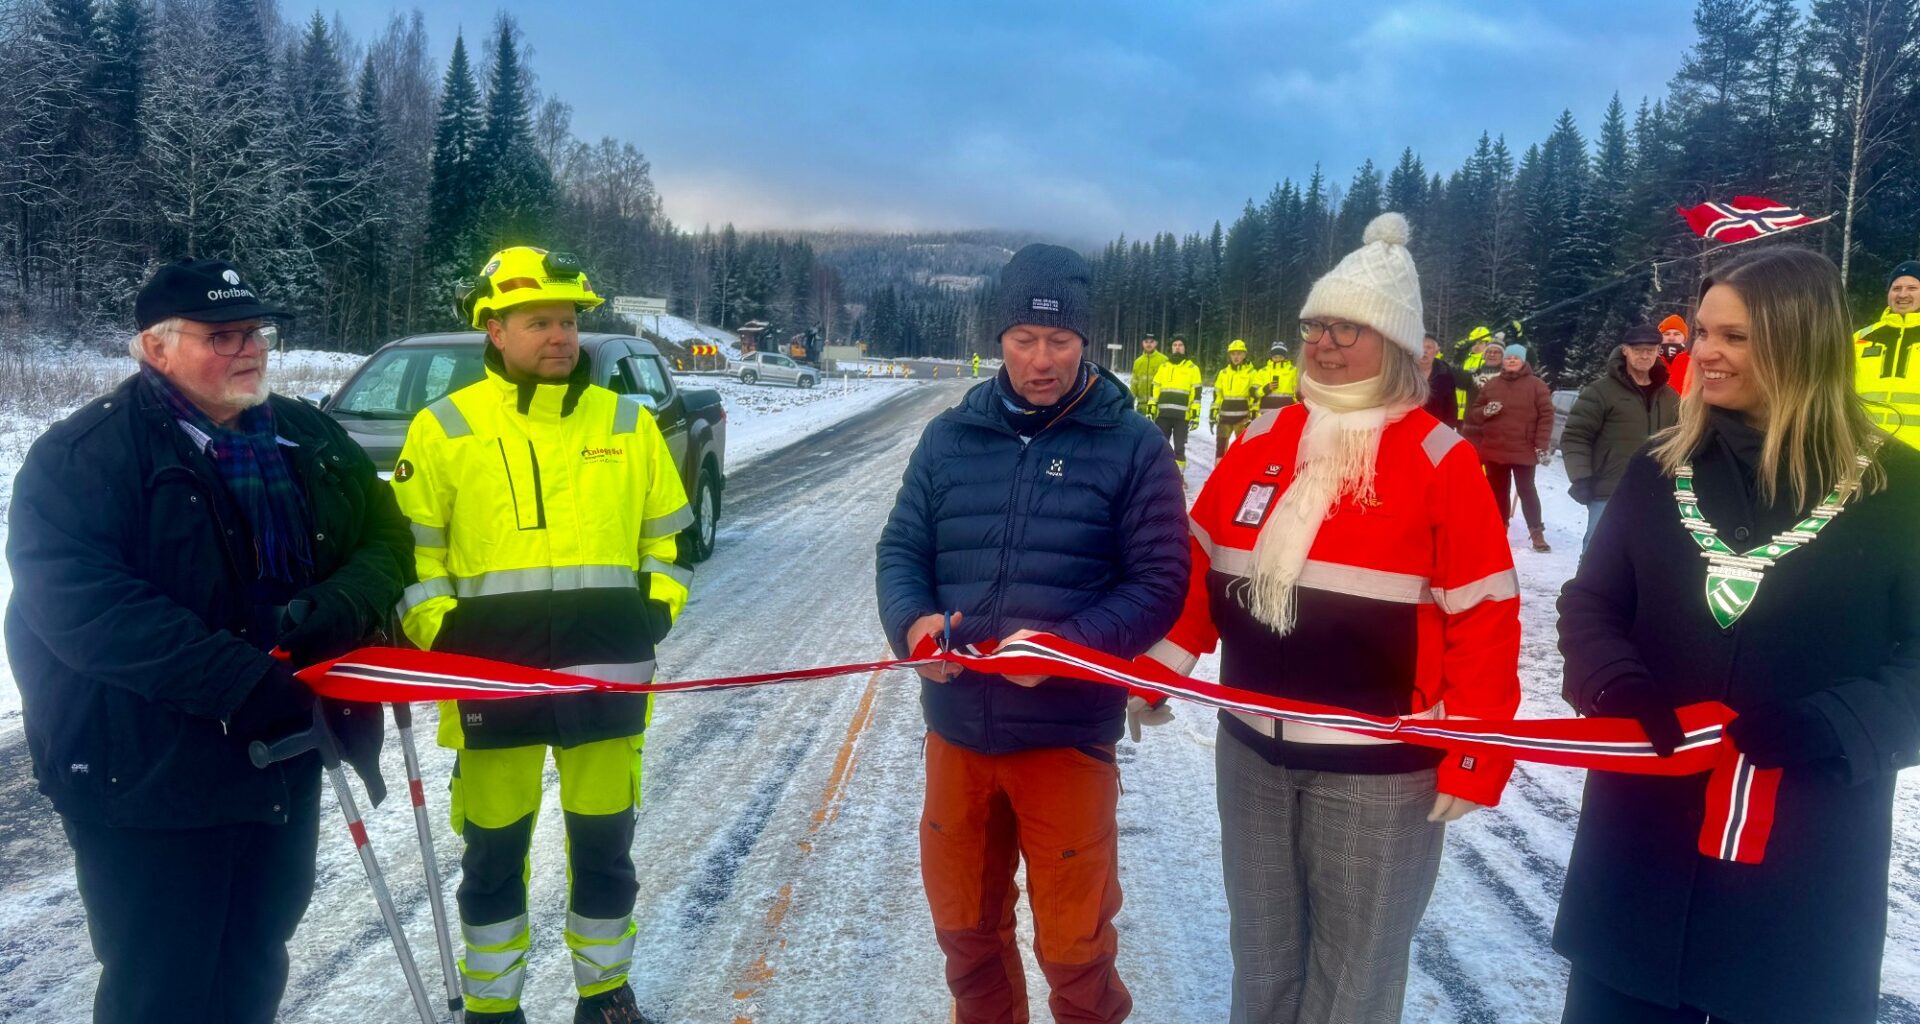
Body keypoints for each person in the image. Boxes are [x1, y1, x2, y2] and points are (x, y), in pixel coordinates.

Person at [4, 258, 409, 1023]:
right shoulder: (83, 456)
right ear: (157, 348)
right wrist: (241, 682)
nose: (250, 348)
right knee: (161, 985)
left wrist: (335, 605)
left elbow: (385, 539)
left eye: (255, 332)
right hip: (145, 774)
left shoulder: (306, 436)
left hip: (282, 758)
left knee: (254, 962)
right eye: (223, 335)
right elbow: (84, 606)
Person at [1145, 213, 1520, 1024]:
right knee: (1265, 958)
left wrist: (1476, 751)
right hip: (1251, 751)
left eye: (1349, 328)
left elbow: (1485, 614)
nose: (1324, 344)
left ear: (1395, 343)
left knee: (1355, 977)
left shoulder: (1438, 459)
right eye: (1316, 325)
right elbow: (1200, 567)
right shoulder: (1266, 437)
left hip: (1380, 772)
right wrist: (1154, 670)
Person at [1554, 246, 1920, 1024]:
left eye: (1736, 337)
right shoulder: (1662, 470)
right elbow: (1590, 603)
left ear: (1801, 343)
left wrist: (1832, 725)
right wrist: (1618, 684)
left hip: (1801, 858)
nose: (1706, 352)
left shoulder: (1903, 489)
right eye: (1706, 333)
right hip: (1642, 849)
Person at [875, 242, 1188, 1024]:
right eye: (1023, 339)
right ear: (999, 337)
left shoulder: (1133, 445)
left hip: (1065, 737)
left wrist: (1069, 648)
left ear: (1087, 342)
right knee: (967, 932)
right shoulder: (950, 438)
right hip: (958, 734)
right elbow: (902, 549)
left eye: (1059, 342)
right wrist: (911, 625)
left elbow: (1160, 582)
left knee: (1075, 944)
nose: (1040, 360)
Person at [394, 246, 692, 1024]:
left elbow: (671, 542)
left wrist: (650, 612)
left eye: (567, 321)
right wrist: (444, 632)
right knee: (493, 855)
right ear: (495, 330)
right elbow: (411, 557)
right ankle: (494, 1009)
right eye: (538, 322)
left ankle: (604, 994)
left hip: (607, 676)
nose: (559, 336)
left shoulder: (628, 422)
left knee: (604, 848)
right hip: (492, 683)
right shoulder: (442, 429)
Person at [1561, 324, 1679, 553]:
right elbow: (1576, 436)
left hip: (1655, 492)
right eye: (1638, 350)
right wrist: (1581, 477)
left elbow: (1681, 439)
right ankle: (1586, 590)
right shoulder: (1600, 392)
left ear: (1658, 352)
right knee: (1597, 553)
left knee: (1645, 556)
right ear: (1625, 350)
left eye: (1650, 349)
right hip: (1609, 490)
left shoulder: (1670, 397)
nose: (1645, 355)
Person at [1467, 343, 1555, 553]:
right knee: (1498, 491)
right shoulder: (1492, 384)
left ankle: (1536, 533)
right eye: (1508, 358)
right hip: (1495, 448)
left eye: (1516, 357)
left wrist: (1541, 445)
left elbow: (1546, 416)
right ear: (1503, 361)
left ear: (1523, 361)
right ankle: (1499, 530)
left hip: (1524, 449)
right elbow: (1475, 412)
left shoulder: (1536, 385)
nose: (1512, 360)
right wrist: (1486, 410)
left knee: (1527, 490)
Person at [1855, 259, 1920, 448]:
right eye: (1896, 288)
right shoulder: (1859, 338)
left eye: (1912, 288)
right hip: (1865, 450)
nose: (1903, 294)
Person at [1152, 335, 1204, 469]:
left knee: (1179, 449)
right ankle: (1161, 473)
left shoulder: (1193, 368)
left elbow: (1196, 394)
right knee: (1161, 446)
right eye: (1175, 345)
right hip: (1163, 415)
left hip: (1182, 417)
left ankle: (1179, 477)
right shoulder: (1163, 367)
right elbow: (1156, 388)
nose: (1177, 347)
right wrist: (1151, 407)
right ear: (1171, 348)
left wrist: (1195, 415)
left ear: (1185, 348)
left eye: (1180, 345)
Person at [1210, 338, 1259, 458]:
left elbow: (1255, 397)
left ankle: (1242, 475)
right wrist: (1213, 412)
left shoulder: (1252, 373)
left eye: (1239, 353)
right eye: (1233, 354)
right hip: (1224, 418)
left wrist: (1253, 415)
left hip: (1242, 419)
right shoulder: (1223, 373)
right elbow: (1217, 395)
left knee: (1244, 450)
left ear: (1244, 355)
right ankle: (1219, 475)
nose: (1236, 357)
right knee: (1220, 450)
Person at [1420, 332, 1461, 428]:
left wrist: (1449, 430)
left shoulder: (1445, 373)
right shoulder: (1404, 371)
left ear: (1436, 351)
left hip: (1435, 428)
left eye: (1428, 347)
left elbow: (1451, 406)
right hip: (1408, 427)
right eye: (1421, 347)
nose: (1424, 351)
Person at [1253, 340, 1299, 415]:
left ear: (1285, 357)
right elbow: (1254, 394)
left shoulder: (1293, 371)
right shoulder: (1263, 371)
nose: (1278, 359)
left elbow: (1297, 392)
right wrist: (1265, 389)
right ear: (1271, 357)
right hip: (1265, 413)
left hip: (1286, 412)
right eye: (1275, 357)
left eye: (1280, 357)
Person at [1129, 335, 1166, 417]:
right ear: (1142, 343)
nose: (1149, 344)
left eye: (1151, 342)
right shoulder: (1138, 362)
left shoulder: (1164, 360)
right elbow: (1134, 384)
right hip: (1141, 407)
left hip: (1158, 408)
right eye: (1146, 342)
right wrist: (1129, 401)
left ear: (1156, 343)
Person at [1658, 314, 1693, 395]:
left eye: (1677, 334)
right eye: (1666, 334)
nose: (1671, 338)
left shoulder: (1694, 363)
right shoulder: (1651, 361)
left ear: (1684, 338)